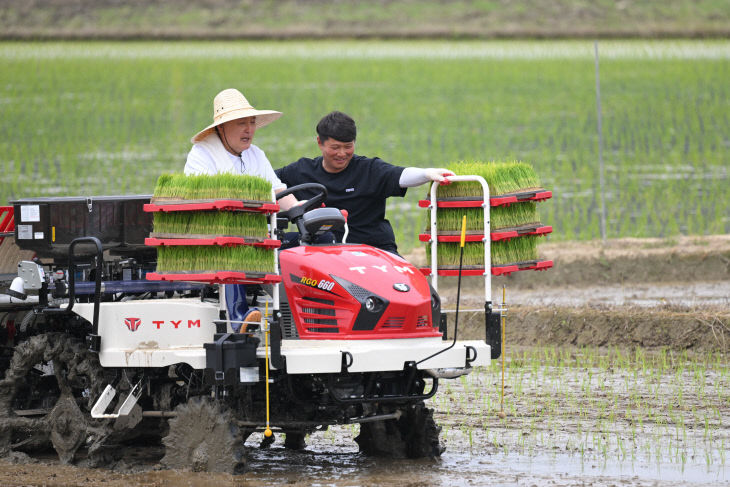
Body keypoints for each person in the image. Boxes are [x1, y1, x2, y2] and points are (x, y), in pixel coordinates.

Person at [184, 88, 297, 331]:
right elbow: (204, 200)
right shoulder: (201, 155)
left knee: (303, 244)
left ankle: (303, 317)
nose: (249, 129)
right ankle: (238, 316)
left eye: (252, 122)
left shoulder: (256, 154)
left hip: (255, 235)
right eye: (241, 123)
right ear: (222, 127)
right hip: (213, 238)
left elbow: (278, 190)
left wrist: (304, 214)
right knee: (232, 247)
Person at [275, 110, 454, 255]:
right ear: (320, 143)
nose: (342, 153)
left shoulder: (369, 169)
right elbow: (267, 181)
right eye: (335, 147)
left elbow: (400, 175)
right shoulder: (301, 170)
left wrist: (427, 173)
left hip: (375, 251)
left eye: (348, 147)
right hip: (325, 253)